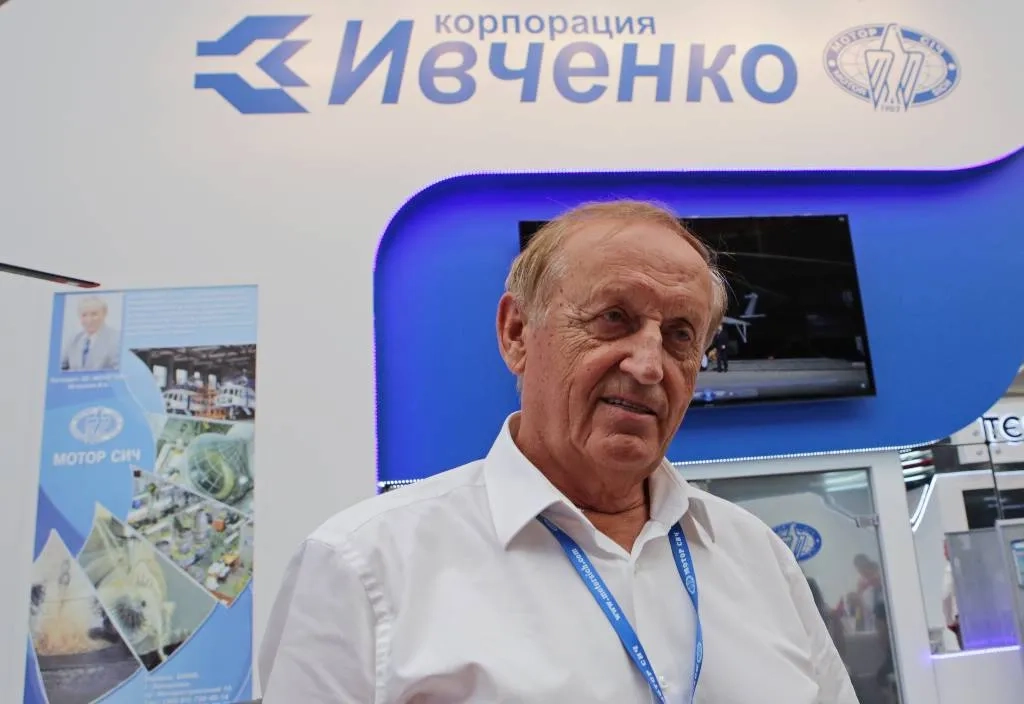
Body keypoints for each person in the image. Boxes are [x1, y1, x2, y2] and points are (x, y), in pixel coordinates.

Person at [258, 200, 858, 703]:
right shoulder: (362, 567)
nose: (649, 366)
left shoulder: (758, 557)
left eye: (680, 335)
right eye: (614, 318)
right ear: (517, 333)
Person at [60, 295, 121, 371]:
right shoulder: (74, 340)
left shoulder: (117, 339)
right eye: (84, 315)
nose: (89, 320)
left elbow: (120, 372)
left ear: (104, 314)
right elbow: (61, 368)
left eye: (94, 314)